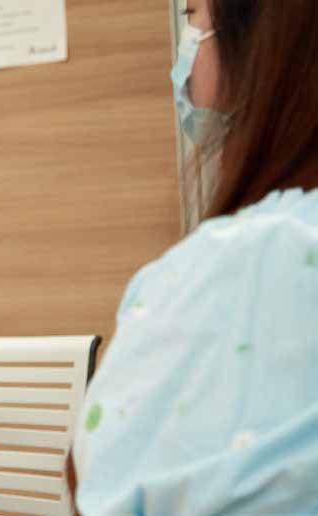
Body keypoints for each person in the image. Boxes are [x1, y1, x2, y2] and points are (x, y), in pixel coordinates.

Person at [72, 0, 318, 514]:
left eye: (193, 18)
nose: (188, 45)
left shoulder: (254, 261)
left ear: (259, 45)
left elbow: (110, 484)